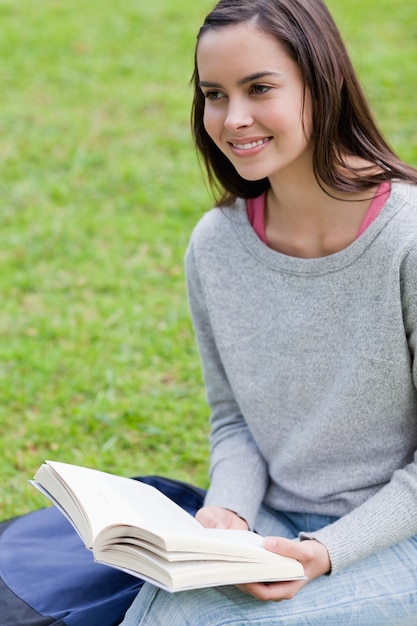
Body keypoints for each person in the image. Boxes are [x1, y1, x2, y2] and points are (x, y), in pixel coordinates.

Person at [121, 0, 417, 623]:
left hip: (397, 533)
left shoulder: (407, 239)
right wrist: (228, 514)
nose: (233, 119)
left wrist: (324, 552)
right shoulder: (217, 245)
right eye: (214, 94)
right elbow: (235, 421)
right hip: (272, 525)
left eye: (259, 88)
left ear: (324, 84)